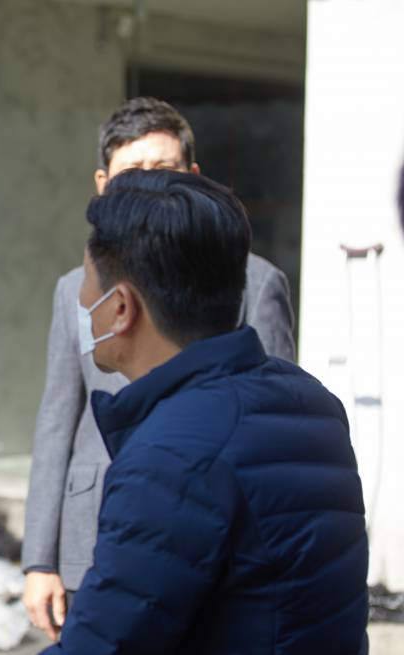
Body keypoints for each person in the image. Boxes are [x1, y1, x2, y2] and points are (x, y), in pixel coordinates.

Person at [39, 169, 368, 655]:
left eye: (88, 285)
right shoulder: (311, 401)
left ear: (122, 307)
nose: (83, 302)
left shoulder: (171, 457)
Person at [22, 97, 297, 640]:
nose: (147, 188)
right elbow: (57, 420)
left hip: (207, 541)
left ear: (193, 177)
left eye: (163, 170)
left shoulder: (255, 282)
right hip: (93, 528)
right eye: (130, 174)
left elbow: (274, 432)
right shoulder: (77, 288)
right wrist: (39, 559)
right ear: (103, 183)